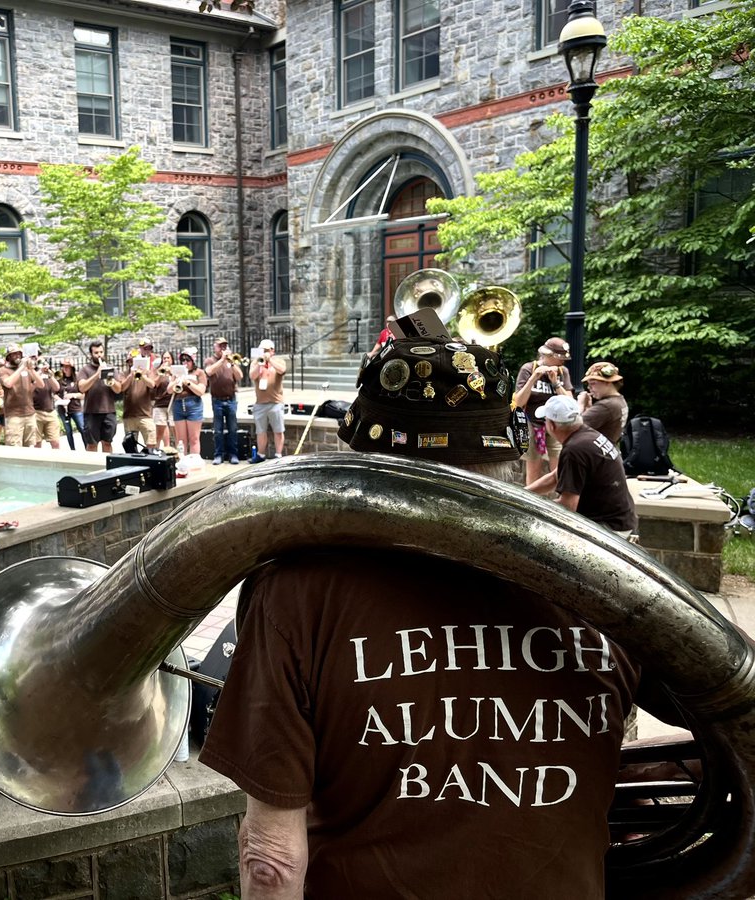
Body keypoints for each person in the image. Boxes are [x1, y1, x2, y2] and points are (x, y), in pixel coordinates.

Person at [201, 332, 645, 899]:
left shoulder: (296, 592)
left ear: (366, 455)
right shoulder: (613, 585)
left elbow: (271, 859)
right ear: (505, 452)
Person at [526, 394, 638, 539]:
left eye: (545, 420)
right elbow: (555, 477)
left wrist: (531, 508)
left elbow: (568, 506)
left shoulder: (574, 450)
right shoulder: (587, 436)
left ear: (552, 425)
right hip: (622, 521)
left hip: (608, 530)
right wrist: (522, 494)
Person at [514, 337, 575, 488]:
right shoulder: (528, 368)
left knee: (559, 467)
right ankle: (531, 504)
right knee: (533, 467)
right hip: (532, 423)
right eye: (560, 358)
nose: (564, 362)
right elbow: (519, 402)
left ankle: (560, 500)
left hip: (556, 424)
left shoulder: (563, 371)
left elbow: (570, 403)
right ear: (548, 355)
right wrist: (534, 378)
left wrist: (556, 383)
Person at [203, 337, 243, 465]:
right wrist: (221, 360)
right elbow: (209, 372)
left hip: (231, 400)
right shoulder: (210, 360)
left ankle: (233, 454)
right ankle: (218, 455)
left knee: (233, 429)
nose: (223, 349)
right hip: (217, 400)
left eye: (225, 346)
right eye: (220, 346)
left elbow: (239, 376)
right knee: (218, 430)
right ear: (215, 347)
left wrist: (231, 363)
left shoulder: (231, 361)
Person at [78, 340, 122, 453]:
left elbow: (118, 390)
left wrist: (111, 379)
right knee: (92, 444)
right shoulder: (85, 370)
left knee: (107, 443)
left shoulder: (111, 368)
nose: (99, 355)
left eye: (101, 352)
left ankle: (107, 467)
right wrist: (97, 374)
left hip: (109, 411)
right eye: (96, 353)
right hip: (92, 412)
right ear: (91, 354)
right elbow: (82, 388)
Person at [249, 339, 287, 462]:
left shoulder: (278, 361)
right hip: (260, 403)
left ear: (272, 351)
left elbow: (282, 370)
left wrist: (269, 360)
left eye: (266, 350)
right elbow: (252, 376)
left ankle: (278, 455)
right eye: (262, 350)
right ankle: (260, 455)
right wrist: (260, 364)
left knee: (278, 430)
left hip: (276, 402)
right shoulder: (256, 362)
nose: (264, 352)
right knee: (260, 431)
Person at [0, 344, 38, 448]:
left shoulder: (26, 370)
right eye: (13, 354)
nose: (17, 356)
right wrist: (22, 368)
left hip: (29, 413)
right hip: (14, 415)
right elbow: (8, 383)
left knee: (29, 446)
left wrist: (31, 369)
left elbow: (40, 384)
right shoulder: (2, 371)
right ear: (8, 357)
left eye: (19, 353)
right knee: (15, 448)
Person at [116, 353, 161, 449]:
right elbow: (122, 388)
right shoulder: (124, 374)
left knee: (151, 444)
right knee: (130, 445)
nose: (131, 363)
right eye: (129, 361)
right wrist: (131, 375)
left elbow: (152, 385)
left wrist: (143, 375)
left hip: (145, 415)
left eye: (133, 361)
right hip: (129, 415)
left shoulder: (148, 372)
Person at [579, 361, 629, 445]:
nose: (589, 388)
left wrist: (580, 406)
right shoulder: (619, 400)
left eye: (593, 383)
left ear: (607, 383)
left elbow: (573, 427)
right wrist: (588, 409)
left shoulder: (606, 406)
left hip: (597, 455)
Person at [170, 347, 207, 456]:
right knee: (181, 440)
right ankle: (182, 463)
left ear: (193, 361)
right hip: (178, 404)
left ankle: (194, 462)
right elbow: (168, 390)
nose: (185, 363)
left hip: (193, 404)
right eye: (183, 360)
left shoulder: (199, 372)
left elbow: (201, 391)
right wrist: (177, 380)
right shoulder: (176, 372)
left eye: (188, 360)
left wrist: (188, 383)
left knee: (194, 438)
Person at [31, 357, 64, 449]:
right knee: (37, 444)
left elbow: (57, 388)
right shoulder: (33, 373)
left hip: (50, 412)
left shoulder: (48, 374)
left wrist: (49, 374)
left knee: (56, 442)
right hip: (36, 413)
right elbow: (29, 388)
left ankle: (57, 462)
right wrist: (39, 372)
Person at [55, 358, 85, 445]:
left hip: (75, 408)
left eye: (67, 367)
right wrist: (60, 400)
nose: (65, 369)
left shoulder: (77, 379)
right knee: (68, 431)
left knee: (82, 428)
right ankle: (72, 450)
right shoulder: (59, 379)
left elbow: (83, 395)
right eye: (63, 367)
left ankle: (87, 448)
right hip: (63, 409)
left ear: (72, 368)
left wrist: (72, 395)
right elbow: (54, 393)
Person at [152, 351, 175, 449]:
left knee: (174, 428)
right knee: (160, 429)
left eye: (168, 358)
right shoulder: (157, 370)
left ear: (172, 359)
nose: (166, 360)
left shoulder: (175, 370)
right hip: (160, 404)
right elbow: (154, 384)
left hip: (172, 403)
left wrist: (171, 372)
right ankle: (160, 449)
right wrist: (161, 374)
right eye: (164, 358)